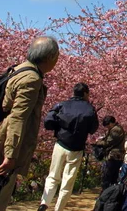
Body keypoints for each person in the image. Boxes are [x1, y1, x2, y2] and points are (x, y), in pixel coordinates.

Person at [0, 36, 59, 211]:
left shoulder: (18, 69)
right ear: (50, 57)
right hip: (0, 149)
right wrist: (10, 156)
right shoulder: (31, 79)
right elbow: (19, 118)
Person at [37, 83, 99, 211]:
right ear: (86, 93)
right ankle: (58, 209)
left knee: (53, 176)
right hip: (76, 148)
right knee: (67, 181)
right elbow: (93, 128)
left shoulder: (62, 105)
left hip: (60, 144)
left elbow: (49, 122)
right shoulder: (90, 109)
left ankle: (44, 203)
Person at [95, 116, 125, 190]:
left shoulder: (116, 130)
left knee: (108, 176)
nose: (107, 127)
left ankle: (105, 194)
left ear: (112, 123)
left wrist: (98, 143)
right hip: (116, 156)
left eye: (108, 125)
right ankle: (108, 194)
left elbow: (108, 142)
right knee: (112, 177)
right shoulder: (115, 129)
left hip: (114, 156)